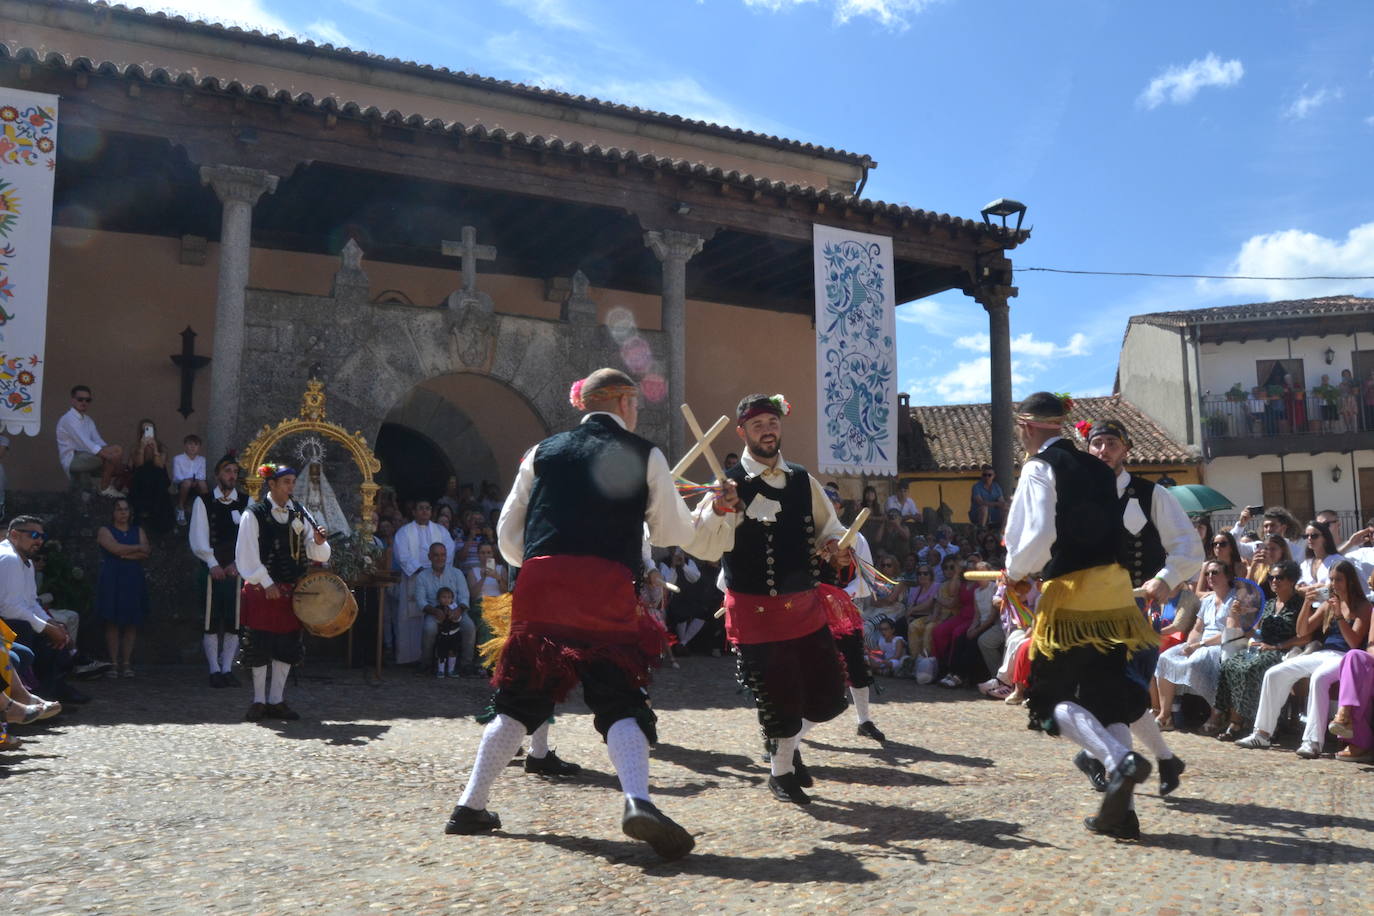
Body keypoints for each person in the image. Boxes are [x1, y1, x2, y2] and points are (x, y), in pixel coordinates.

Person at [447, 368, 698, 860]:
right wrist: (709, 511)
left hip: (541, 584)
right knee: (619, 697)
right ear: (623, 401)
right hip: (604, 585)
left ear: (586, 404)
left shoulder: (542, 452)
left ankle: (469, 805)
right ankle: (637, 801)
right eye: (636, 403)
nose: (638, 411)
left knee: (519, 701)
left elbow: (507, 534)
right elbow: (671, 531)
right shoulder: (645, 452)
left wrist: (540, 564)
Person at [1004, 392, 1158, 841]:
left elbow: (1038, 535)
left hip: (1071, 596)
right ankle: (1121, 815)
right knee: (1107, 699)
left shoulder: (1038, 467)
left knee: (1048, 701)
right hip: (1113, 597)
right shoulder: (1099, 468)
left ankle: (1116, 763)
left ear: (1028, 426)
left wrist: (1014, 572)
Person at [688, 392, 850, 806]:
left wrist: (835, 544)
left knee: (829, 697)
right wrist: (721, 511)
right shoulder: (726, 485)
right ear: (742, 431)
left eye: (772, 422)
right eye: (758, 424)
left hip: (805, 607)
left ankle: (787, 747)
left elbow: (828, 526)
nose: (767, 430)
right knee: (777, 694)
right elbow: (704, 545)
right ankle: (780, 773)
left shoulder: (802, 479)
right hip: (755, 610)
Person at [1084, 417, 1203, 794]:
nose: (1103, 451)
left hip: (1137, 610)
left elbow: (1189, 548)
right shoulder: (1076, 497)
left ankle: (1115, 771)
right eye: (1097, 443)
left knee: (1121, 690)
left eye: (1111, 444)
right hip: (1090, 609)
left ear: (1126, 450)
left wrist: (1164, 579)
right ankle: (1164, 760)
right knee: (1121, 693)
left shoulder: (1152, 495)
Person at [1237, 560, 1369, 756]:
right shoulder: (1328, 604)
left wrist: (1339, 616)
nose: (1333, 584)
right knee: (1274, 673)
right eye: (1331, 579)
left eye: (1338, 580)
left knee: (1319, 678)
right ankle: (1262, 734)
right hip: (1323, 653)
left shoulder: (1363, 606)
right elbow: (1301, 631)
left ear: (1350, 581)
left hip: (1347, 657)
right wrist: (1307, 602)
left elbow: (1353, 643)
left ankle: (1312, 741)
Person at [234, 464, 331, 722]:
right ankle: (258, 700)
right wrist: (267, 583)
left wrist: (319, 543)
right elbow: (246, 555)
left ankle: (276, 700)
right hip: (261, 589)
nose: (291, 487)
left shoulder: (299, 512)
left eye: (292, 482)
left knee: (287, 645)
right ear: (272, 484)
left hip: (290, 591)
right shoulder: (253, 514)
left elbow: (315, 549)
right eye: (286, 482)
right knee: (258, 644)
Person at [1212, 560, 1307, 741]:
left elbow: (1306, 636)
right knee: (1230, 665)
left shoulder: (1300, 604)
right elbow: (1255, 631)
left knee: (1251, 668)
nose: (1274, 581)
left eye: (1279, 577)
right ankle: (1237, 719)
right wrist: (1240, 617)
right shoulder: (1270, 603)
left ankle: (1254, 723)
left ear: (1292, 580)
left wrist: (1276, 646)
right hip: (1263, 647)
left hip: (1283, 651)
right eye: (1271, 577)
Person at [0, 516, 87, 706]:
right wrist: (45, 628)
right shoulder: (8, 558)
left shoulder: (26, 562)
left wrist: (51, 624)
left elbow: (30, 602)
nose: (39, 541)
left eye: (41, 536)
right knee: (32, 634)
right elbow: (9, 607)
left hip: (15, 621)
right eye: (33, 535)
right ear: (14, 534)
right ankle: (33, 698)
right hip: (7, 624)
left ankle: (51, 693)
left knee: (55, 636)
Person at [189, 454, 248, 688]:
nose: (232, 475)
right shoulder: (203, 501)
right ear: (217, 475)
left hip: (236, 569)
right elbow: (198, 534)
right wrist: (212, 563)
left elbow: (250, 538)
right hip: (211, 569)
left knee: (234, 621)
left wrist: (238, 563)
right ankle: (214, 669)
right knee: (211, 620)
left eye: (235, 471)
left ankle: (227, 669)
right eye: (227, 471)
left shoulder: (247, 502)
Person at [392, 500, 454, 666]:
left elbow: (449, 549)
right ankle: (409, 657)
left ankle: (434, 658)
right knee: (410, 617)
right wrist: (420, 570)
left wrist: (436, 568)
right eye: (421, 508)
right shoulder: (404, 532)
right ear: (414, 512)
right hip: (414, 577)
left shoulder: (441, 531)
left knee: (436, 614)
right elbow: (402, 555)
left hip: (436, 577)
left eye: (427, 508)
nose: (425, 511)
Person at [96, 498, 150, 677]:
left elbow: (146, 551)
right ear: (113, 512)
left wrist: (125, 553)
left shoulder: (138, 530)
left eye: (126, 509)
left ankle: (126, 663)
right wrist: (134, 549)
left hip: (133, 578)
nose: (123, 512)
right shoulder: (105, 531)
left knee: (131, 622)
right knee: (112, 621)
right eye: (119, 509)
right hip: (112, 577)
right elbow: (115, 548)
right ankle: (113, 663)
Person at [413, 543, 473, 677]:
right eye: (436, 555)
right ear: (429, 557)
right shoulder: (422, 576)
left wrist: (459, 610)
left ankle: (466, 665)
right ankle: (426, 664)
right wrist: (435, 612)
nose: (440, 558)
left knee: (469, 627)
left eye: (443, 555)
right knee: (429, 628)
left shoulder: (456, 573)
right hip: (435, 612)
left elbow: (464, 595)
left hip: (456, 611)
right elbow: (421, 600)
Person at [55, 385, 125, 496]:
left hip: (88, 456)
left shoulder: (88, 420)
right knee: (113, 457)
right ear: (72, 400)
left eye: (88, 400)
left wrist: (112, 455)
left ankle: (105, 488)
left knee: (117, 450)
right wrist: (109, 457)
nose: (84, 402)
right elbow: (85, 443)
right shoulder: (68, 419)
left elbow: (98, 441)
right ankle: (105, 488)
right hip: (73, 459)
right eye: (80, 399)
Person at [128, 418, 175, 535]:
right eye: (144, 430)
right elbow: (138, 465)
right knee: (143, 474)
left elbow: (160, 466)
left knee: (157, 476)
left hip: (158, 478)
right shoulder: (135, 447)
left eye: (149, 430)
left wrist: (155, 450)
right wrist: (142, 448)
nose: (146, 433)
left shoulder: (161, 447)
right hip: (141, 478)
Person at [1229, 506, 1303, 562]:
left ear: (1283, 528)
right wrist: (1241, 524)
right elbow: (1232, 545)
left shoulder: (1297, 551)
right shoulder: (1258, 547)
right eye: (1266, 526)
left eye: (1272, 525)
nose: (1268, 530)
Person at [173, 434, 209, 526]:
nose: (193, 447)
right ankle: (180, 508)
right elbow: (177, 476)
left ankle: (206, 509)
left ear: (199, 447)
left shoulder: (201, 459)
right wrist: (189, 479)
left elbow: (202, 475)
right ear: (185, 446)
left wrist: (196, 480)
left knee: (203, 484)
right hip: (182, 483)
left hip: (196, 482)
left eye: (196, 445)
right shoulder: (178, 459)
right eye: (190, 444)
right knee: (187, 483)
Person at [969, 464, 1009, 530]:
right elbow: (980, 502)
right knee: (984, 508)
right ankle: (981, 530)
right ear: (982, 476)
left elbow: (1001, 501)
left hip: (994, 514)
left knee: (1006, 509)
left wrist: (1006, 503)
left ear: (993, 476)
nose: (987, 477)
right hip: (977, 514)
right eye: (985, 475)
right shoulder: (976, 487)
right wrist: (997, 504)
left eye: (989, 475)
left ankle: (1003, 531)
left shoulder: (996, 487)